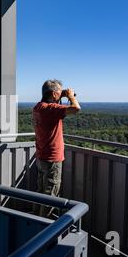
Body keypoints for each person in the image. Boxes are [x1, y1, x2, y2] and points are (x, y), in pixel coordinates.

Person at [32, 79, 81, 217]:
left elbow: (55, 111)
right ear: (54, 94)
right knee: (50, 196)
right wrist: (70, 96)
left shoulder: (38, 107)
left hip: (41, 157)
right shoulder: (51, 109)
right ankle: (44, 229)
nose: (62, 93)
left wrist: (60, 95)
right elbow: (76, 108)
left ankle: (34, 219)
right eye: (59, 92)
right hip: (52, 159)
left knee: (40, 193)